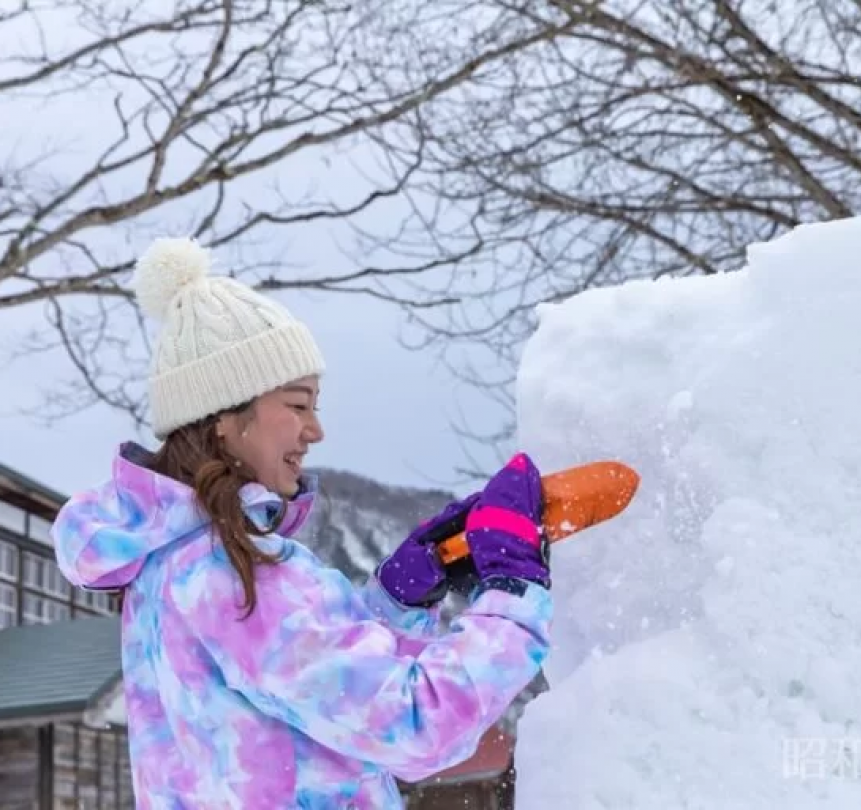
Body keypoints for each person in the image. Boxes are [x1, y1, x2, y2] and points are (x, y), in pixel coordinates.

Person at [50, 237, 553, 809]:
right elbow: (412, 726)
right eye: (297, 404)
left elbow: (300, 711)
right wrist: (513, 595)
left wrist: (397, 606)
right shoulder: (233, 571)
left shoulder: (166, 563)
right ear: (224, 417)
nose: (315, 431)